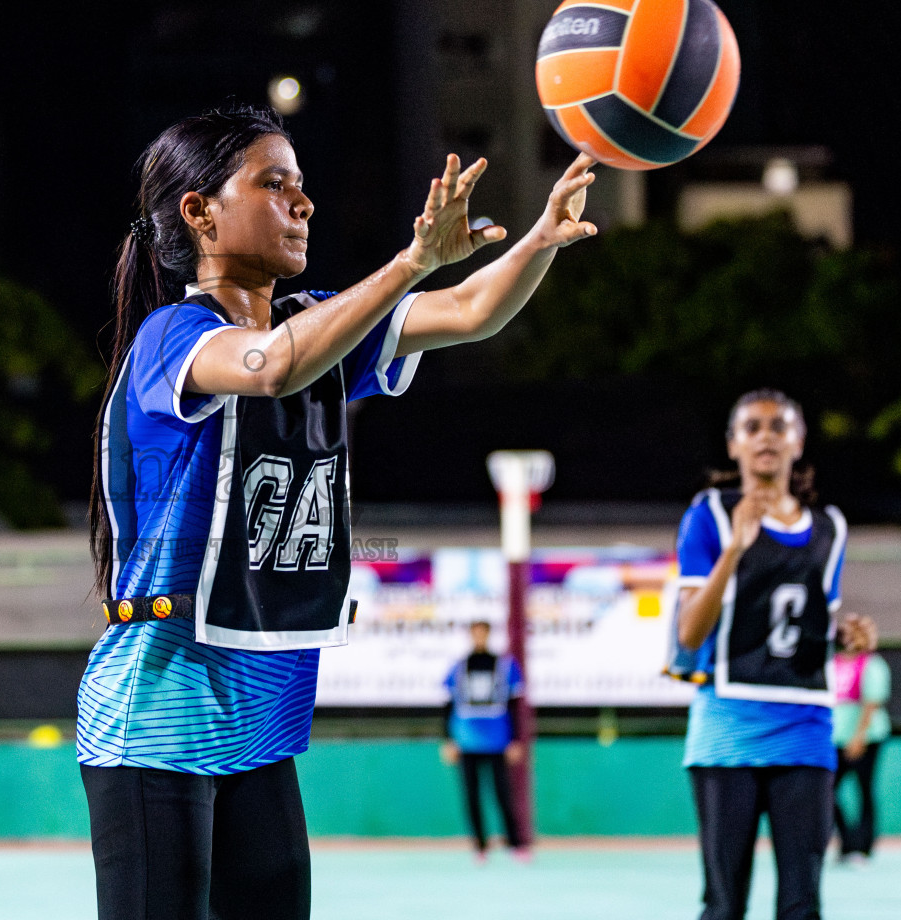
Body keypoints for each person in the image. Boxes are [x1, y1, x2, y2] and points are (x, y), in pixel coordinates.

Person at [77, 104, 597, 920]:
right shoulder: (174, 337)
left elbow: (468, 313)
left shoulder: (310, 324)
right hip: (158, 707)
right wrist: (410, 262)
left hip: (257, 715)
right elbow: (273, 367)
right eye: (273, 183)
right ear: (199, 211)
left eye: (303, 184)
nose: (303, 202)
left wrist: (538, 240)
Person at [668, 389, 848, 920]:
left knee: (802, 903)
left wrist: (846, 629)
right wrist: (733, 550)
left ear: (798, 441)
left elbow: (809, 622)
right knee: (724, 905)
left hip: (806, 728)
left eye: (778, 425)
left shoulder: (830, 528)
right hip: (728, 728)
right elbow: (689, 632)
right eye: (752, 427)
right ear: (733, 445)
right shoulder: (709, 516)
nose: (766, 435)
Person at [440, 620, 526, 862]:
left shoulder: (504, 665)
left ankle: (515, 844)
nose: (479, 637)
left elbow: (514, 705)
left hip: (497, 740)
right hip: (466, 741)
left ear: (488, 635)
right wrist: (448, 739)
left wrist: (515, 739)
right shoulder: (458, 667)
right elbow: (447, 705)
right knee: (471, 796)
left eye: (483, 633)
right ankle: (480, 846)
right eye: (474, 633)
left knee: (502, 794)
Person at [831, 612, 889, 864]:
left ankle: (863, 846)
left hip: (866, 736)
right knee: (827, 790)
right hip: (835, 737)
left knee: (864, 790)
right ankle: (847, 841)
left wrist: (859, 736)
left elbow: (871, 703)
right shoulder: (833, 663)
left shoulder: (872, 664)